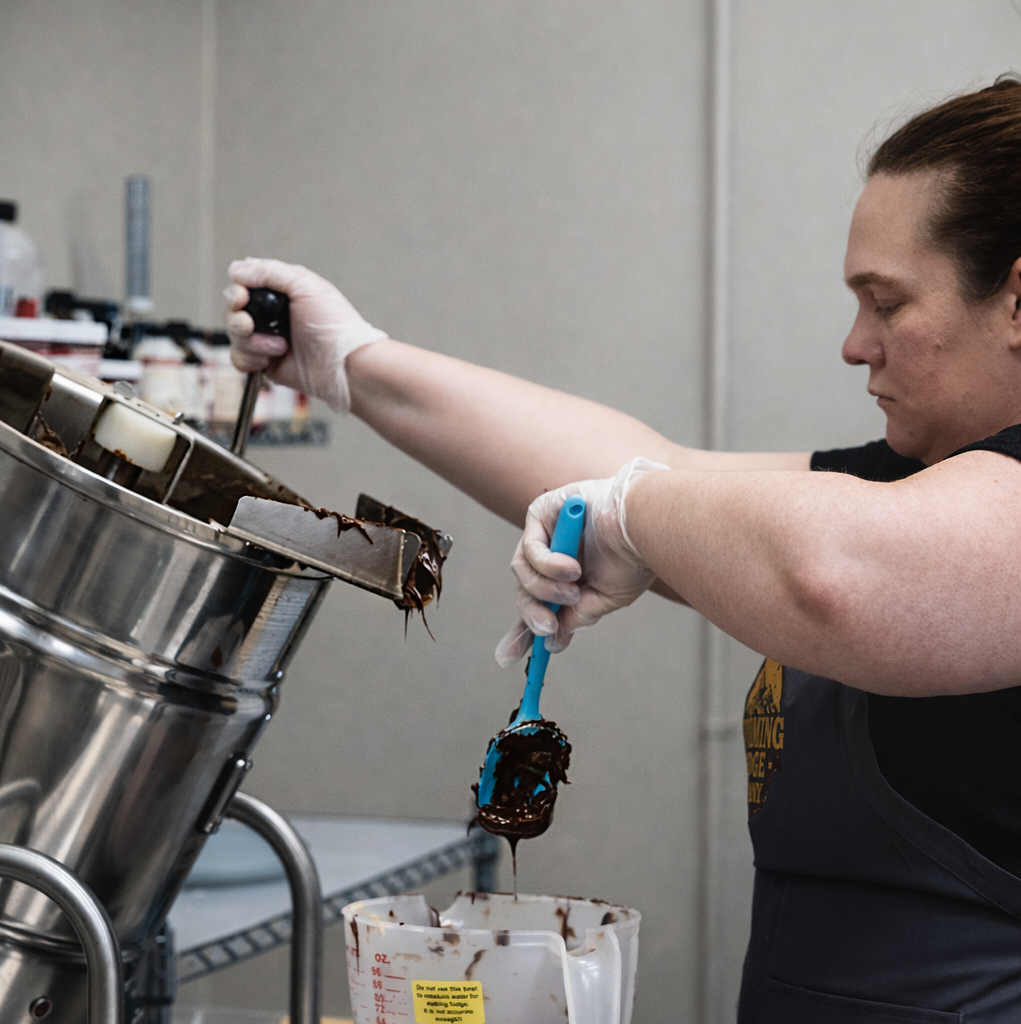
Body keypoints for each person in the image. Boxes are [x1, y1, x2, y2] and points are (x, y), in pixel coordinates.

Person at [227, 75, 1021, 1022]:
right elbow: (650, 467)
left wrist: (632, 516)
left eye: (885, 303)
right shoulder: (909, 482)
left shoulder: (912, 531)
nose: (855, 345)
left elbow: (830, 574)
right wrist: (352, 360)